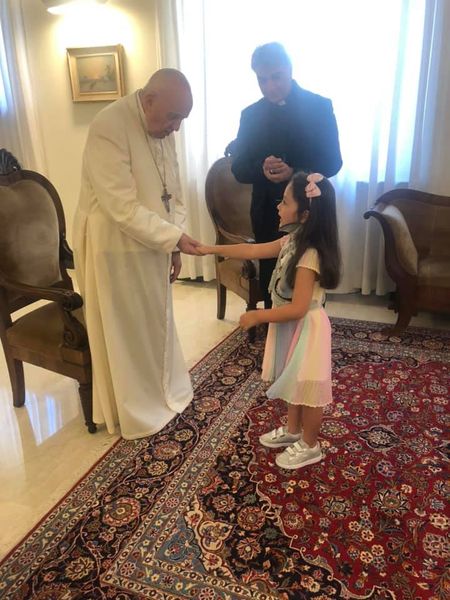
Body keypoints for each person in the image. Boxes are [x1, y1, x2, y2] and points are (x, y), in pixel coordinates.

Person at [73, 69, 201, 440]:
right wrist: (173, 237)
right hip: (114, 247)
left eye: (182, 119)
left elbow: (173, 191)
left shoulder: (162, 126)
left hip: (153, 241)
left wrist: (173, 242)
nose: (176, 128)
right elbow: (119, 206)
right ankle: (135, 407)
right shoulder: (109, 125)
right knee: (127, 330)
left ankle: (162, 391)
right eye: (173, 117)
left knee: (155, 320)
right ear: (148, 101)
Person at [199, 171, 341, 469]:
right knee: (293, 380)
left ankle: (311, 445)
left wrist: (258, 315)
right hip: (292, 326)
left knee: (309, 387)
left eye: (284, 202)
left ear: (304, 215)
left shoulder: (310, 255)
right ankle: (293, 430)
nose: (278, 206)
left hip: (308, 329)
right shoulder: (293, 240)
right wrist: (210, 249)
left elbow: (299, 308)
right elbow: (252, 249)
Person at [229, 42, 342, 308]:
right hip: (267, 213)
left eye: (276, 77)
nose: (270, 86)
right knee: (271, 279)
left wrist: (295, 172)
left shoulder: (319, 107)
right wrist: (261, 168)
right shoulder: (250, 115)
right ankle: (272, 331)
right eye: (262, 80)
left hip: (310, 212)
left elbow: (333, 162)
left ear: (290, 69)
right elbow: (238, 168)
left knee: (309, 284)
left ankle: (309, 333)